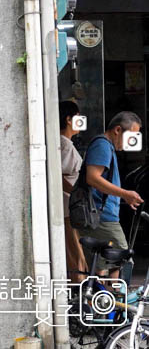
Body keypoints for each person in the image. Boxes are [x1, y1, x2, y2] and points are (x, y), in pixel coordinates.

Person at [83, 111, 144, 277]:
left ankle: (104, 299)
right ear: (117, 130)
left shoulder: (106, 147)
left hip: (102, 215)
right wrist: (124, 193)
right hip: (102, 217)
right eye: (130, 136)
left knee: (105, 265)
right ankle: (113, 298)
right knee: (123, 260)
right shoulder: (102, 145)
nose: (130, 142)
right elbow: (93, 178)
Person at [59, 101, 87, 282]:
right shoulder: (65, 145)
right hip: (69, 208)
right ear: (69, 120)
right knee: (75, 254)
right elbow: (58, 177)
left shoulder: (65, 144)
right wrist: (78, 193)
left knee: (75, 253)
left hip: (69, 208)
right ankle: (79, 296)